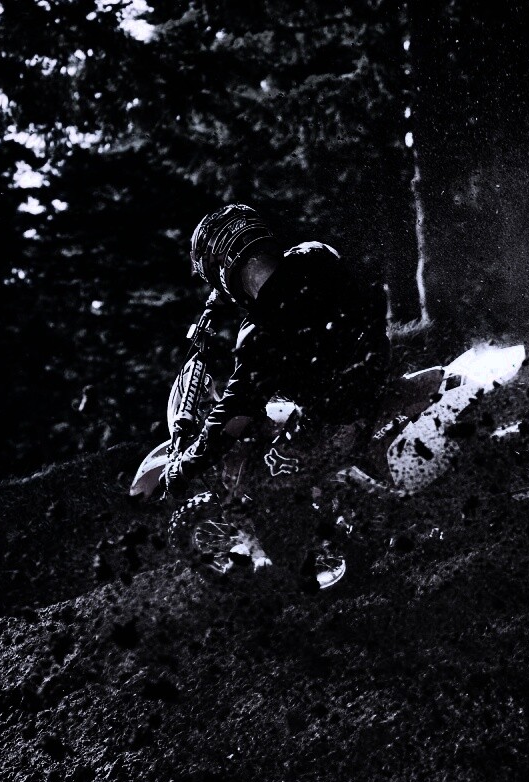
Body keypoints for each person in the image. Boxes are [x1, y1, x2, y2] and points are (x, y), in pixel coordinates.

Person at [161, 203, 390, 587]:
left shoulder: (258, 335)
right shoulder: (315, 255)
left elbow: (235, 412)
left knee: (265, 480)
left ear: (222, 268)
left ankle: (332, 569)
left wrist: (189, 463)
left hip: (339, 409)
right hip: (374, 367)